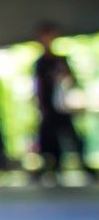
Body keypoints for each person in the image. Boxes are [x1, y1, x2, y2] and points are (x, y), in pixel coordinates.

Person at [31, 23, 96, 184]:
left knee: (73, 136)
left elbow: (72, 81)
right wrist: (40, 106)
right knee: (49, 139)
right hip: (49, 108)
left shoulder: (61, 60)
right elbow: (38, 86)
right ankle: (53, 167)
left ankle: (83, 166)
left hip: (63, 107)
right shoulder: (40, 63)